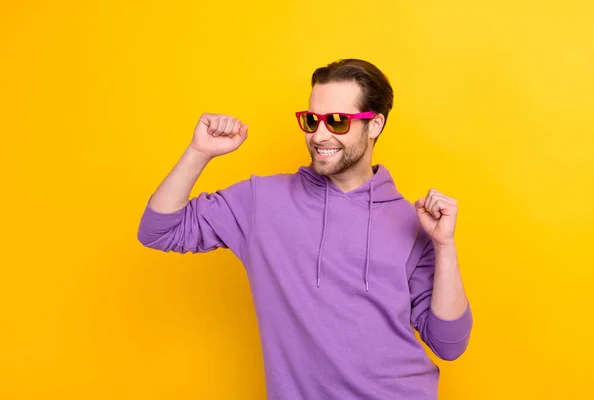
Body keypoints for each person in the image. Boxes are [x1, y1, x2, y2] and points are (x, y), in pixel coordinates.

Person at [137, 59, 473, 400]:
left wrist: (445, 245)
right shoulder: (260, 202)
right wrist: (199, 152)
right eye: (312, 120)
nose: (319, 135)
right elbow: (159, 230)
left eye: (338, 121)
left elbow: (449, 343)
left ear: (374, 125)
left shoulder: (410, 222)